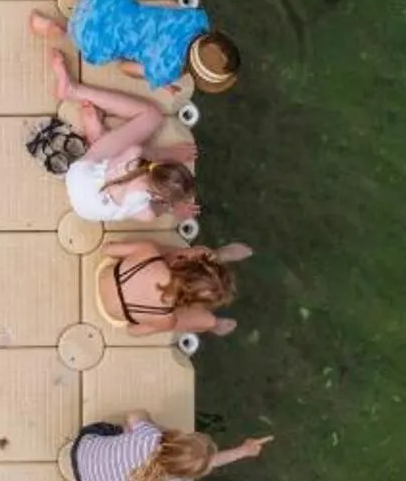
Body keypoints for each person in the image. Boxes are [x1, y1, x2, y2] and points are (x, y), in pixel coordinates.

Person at [38, 51, 199, 224]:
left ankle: (74, 92)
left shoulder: (134, 158)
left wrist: (170, 153)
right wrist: (174, 208)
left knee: (151, 116)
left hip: (83, 177)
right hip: (85, 205)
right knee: (139, 208)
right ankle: (98, 135)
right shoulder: (145, 210)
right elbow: (158, 209)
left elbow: (145, 155)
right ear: (157, 197)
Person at [30, 0, 239, 96]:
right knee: (92, 44)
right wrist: (159, 79)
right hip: (95, 35)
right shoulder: (167, 70)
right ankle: (55, 28)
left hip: (110, 1)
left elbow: (168, 16)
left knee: (107, 8)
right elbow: (125, 67)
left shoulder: (195, 20)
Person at [68, 410, 273, 481]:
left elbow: (134, 415)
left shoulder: (150, 437)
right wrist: (243, 451)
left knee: (120, 429)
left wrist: (157, 428)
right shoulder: (174, 479)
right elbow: (210, 462)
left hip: (80, 450)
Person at [95, 236, 250, 335]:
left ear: (188, 263)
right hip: (110, 313)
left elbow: (108, 249)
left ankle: (215, 255)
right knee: (174, 321)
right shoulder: (166, 320)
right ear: (194, 303)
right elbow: (132, 331)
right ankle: (212, 323)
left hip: (104, 274)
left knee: (159, 250)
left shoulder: (148, 251)